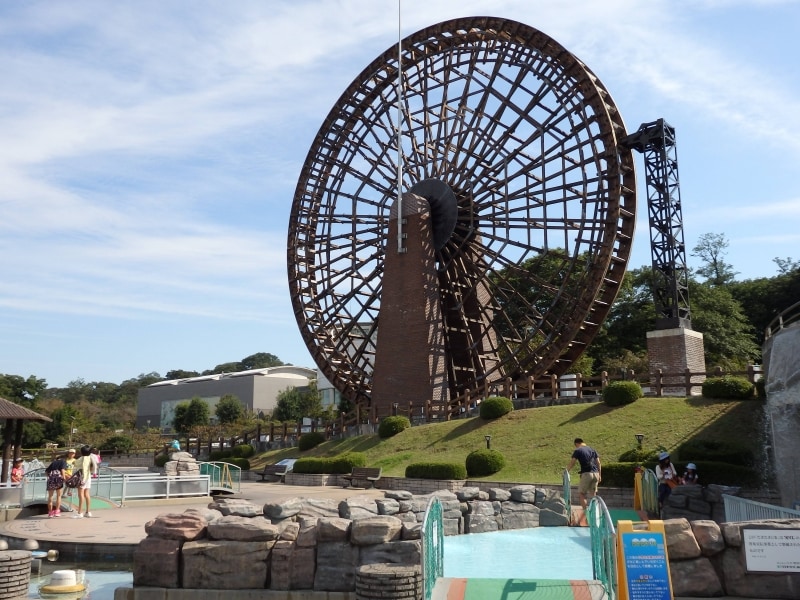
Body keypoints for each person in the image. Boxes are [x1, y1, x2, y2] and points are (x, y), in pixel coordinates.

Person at [566, 437, 601, 510]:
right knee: (593, 493)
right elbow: (598, 463)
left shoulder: (578, 450)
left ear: (576, 443)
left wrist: (566, 471)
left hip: (587, 474)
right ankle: (594, 511)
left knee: (581, 494)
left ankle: (585, 512)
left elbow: (573, 462)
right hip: (596, 474)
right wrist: (600, 475)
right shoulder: (592, 449)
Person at [72, 445, 97, 518]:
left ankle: (79, 512)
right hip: (88, 477)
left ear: (82, 452)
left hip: (82, 477)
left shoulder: (82, 458)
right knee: (87, 494)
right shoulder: (91, 458)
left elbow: (76, 464)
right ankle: (88, 512)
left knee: (81, 495)